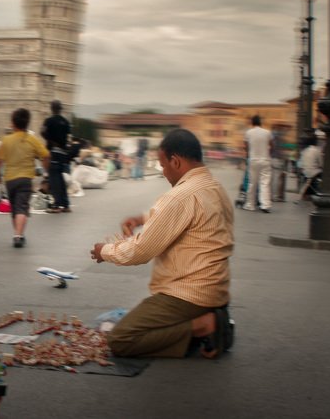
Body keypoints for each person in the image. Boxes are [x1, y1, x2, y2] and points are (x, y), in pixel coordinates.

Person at [90, 129, 234, 358]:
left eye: (163, 165)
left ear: (175, 161)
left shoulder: (180, 195)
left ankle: (204, 326)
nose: (164, 172)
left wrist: (104, 251)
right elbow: (188, 218)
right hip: (216, 291)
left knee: (121, 339)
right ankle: (207, 319)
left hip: (188, 295)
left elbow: (141, 251)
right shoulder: (215, 188)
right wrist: (141, 219)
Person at [0, 108, 50, 248]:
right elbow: (46, 155)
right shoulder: (32, 139)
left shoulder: (6, 140)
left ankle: (18, 232)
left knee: (14, 208)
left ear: (13, 123)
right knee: (22, 207)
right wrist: (45, 170)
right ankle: (18, 235)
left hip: (9, 179)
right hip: (25, 178)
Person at [40, 99, 72, 213]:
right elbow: (69, 138)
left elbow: (42, 132)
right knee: (60, 178)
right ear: (61, 109)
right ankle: (65, 204)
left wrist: (50, 140)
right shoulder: (66, 122)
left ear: (52, 108)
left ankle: (56, 205)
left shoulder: (49, 120)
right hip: (63, 153)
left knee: (54, 179)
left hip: (53, 151)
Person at [243, 115, 273, 213]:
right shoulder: (267, 132)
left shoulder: (248, 133)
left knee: (252, 183)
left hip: (253, 160)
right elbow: (272, 145)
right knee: (265, 183)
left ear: (252, 122)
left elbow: (246, 147)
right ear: (260, 122)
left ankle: (250, 205)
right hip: (265, 160)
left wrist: (248, 156)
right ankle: (265, 205)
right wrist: (268, 154)